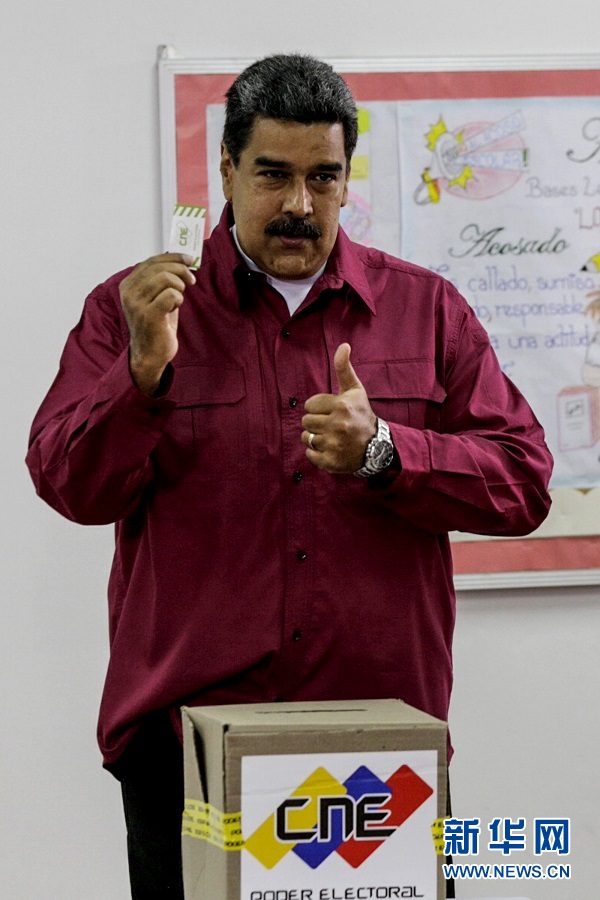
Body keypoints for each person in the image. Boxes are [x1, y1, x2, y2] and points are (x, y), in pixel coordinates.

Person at [26, 53, 553, 899]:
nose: (301, 205)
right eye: (273, 174)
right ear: (227, 169)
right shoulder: (133, 312)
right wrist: (141, 376)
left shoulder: (428, 310)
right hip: (187, 746)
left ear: (347, 178)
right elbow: (69, 486)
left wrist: (388, 451)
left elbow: (524, 482)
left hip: (380, 751)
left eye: (323, 177)